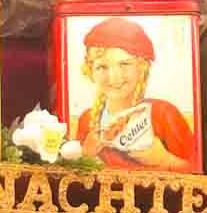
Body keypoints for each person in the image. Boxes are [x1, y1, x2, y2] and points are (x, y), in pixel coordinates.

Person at [75, 18, 196, 170]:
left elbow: (196, 171)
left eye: (124, 64)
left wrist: (165, 160)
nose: (113, 78)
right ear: (90, 71)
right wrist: (86, 155)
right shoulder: (87, 120)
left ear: (141, 68)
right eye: (102, 67)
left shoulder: (164, 114)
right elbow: (74, 175)